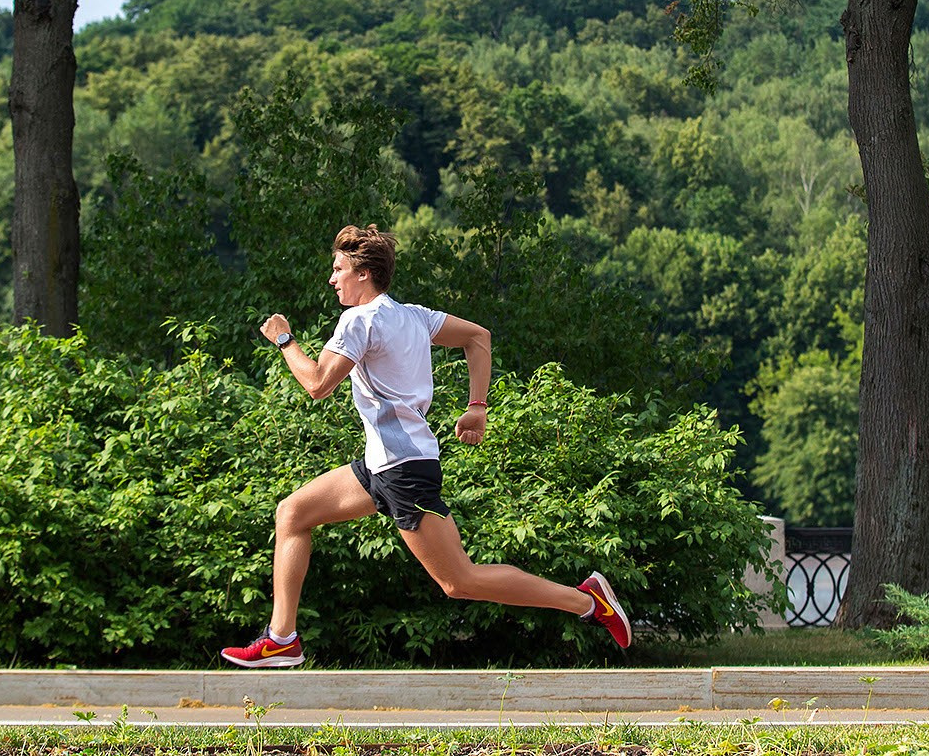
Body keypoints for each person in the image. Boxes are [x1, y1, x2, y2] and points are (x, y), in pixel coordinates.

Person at [219, 223, 633, 668]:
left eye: (338, 269)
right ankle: (282, 638)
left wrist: (284, 339)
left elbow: (318, 383)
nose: (332, 278)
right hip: (383, 465)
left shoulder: (360, 320)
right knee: (293, 512)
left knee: (459, 581)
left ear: (364, 274)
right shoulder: (414, 315)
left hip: (402, 470)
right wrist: (477, 406)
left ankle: (586, 602)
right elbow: (479, 337)